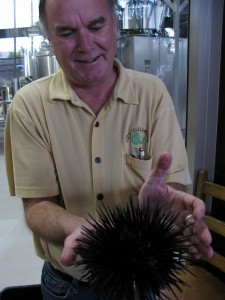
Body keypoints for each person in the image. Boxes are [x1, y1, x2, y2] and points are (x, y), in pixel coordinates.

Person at [4, 0, 213, 299]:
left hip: (141, 282)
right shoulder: (28, 106)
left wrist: (165, 212)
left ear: (114, 24)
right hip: (68, 287)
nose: (85, 45)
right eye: (66, 32)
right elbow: (37, 206)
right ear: (49, 38)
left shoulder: (152, 94)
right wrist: (83, 229)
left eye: (95, 26)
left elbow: (170, 188)